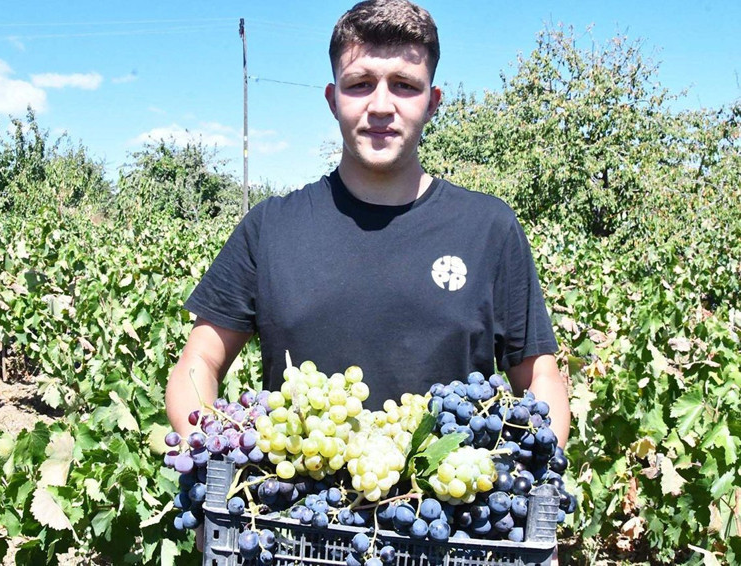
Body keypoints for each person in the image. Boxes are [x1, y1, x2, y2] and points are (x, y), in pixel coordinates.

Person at [166, 0, 570, 448]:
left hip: (445, 513)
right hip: (292, 513)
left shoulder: (488, 228)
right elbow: (198, 362)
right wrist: (210, 448)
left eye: (404, 85)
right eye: (360, 84)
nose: (381, 105)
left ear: (433, 103)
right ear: (332, 99)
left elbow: (539, 375)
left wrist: (538, 473)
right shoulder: (270, 229)